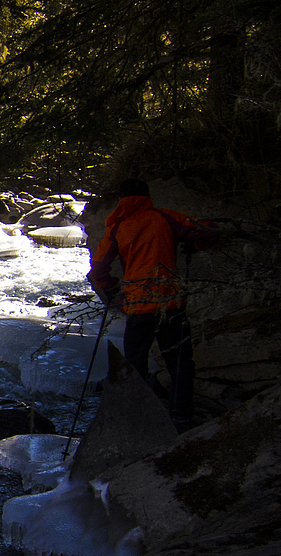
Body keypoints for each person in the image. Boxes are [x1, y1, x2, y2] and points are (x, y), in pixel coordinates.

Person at [88, 178, 217, 430]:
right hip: (170, 303)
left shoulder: (118, 228)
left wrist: (109, 286)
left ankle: (137, 419)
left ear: (121, 200)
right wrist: (195, 245)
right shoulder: (166, 218)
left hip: (138, 304)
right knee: (179, 362)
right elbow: (208, 230)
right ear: (147, 196)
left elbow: (99, 266)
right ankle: (180, 417)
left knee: (134, 365)